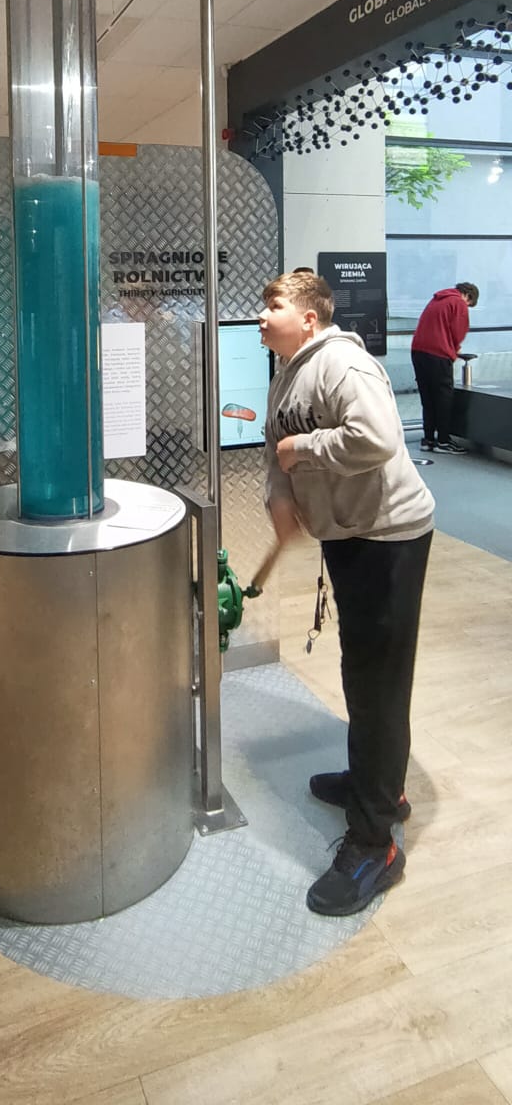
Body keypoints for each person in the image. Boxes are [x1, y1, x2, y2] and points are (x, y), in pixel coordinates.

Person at [260, 270, 434, 918]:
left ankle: (374, 842)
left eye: (274, 305)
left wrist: (301, 449)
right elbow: (276, 450)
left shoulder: (343, 364)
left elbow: (376, 440)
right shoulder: (288, 371)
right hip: (350, 534)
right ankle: (376, 785)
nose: (262, 316)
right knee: (361, 670)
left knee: (378, 683)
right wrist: (281, 497)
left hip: (388, 537)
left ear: (309, 317)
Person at [411, 282, 479, 453]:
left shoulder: (437, 299)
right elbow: (458, 331)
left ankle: (428, 440)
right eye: (469, 304)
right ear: (468, 296)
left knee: (427, 397)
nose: (467, 307)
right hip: (438, 354)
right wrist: (455, 349)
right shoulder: (458, 303)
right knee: (443, 398)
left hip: (418, 351)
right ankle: (443, 441)